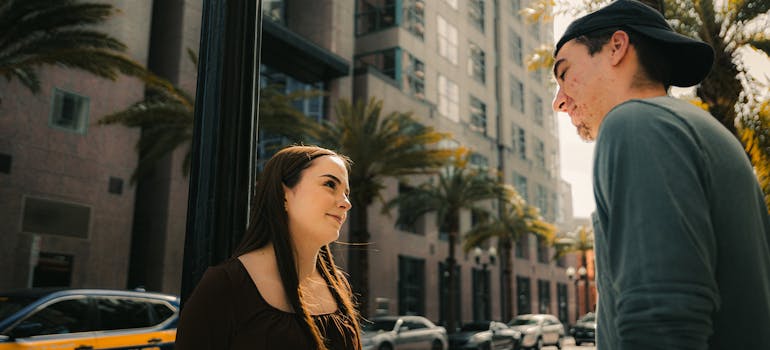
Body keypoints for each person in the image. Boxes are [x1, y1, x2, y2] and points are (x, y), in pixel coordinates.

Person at [552, 1, 770, 349]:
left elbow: (661, 318)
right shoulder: (700, 131)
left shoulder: (636, 124)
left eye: (564, 72)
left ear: (617, 47)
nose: (558, 101)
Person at [175, 145, 361, 350]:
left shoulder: (338, 285)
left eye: (346, 192)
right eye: (329, 184)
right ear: (283, 194)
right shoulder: (225, 286)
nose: (346, 203)